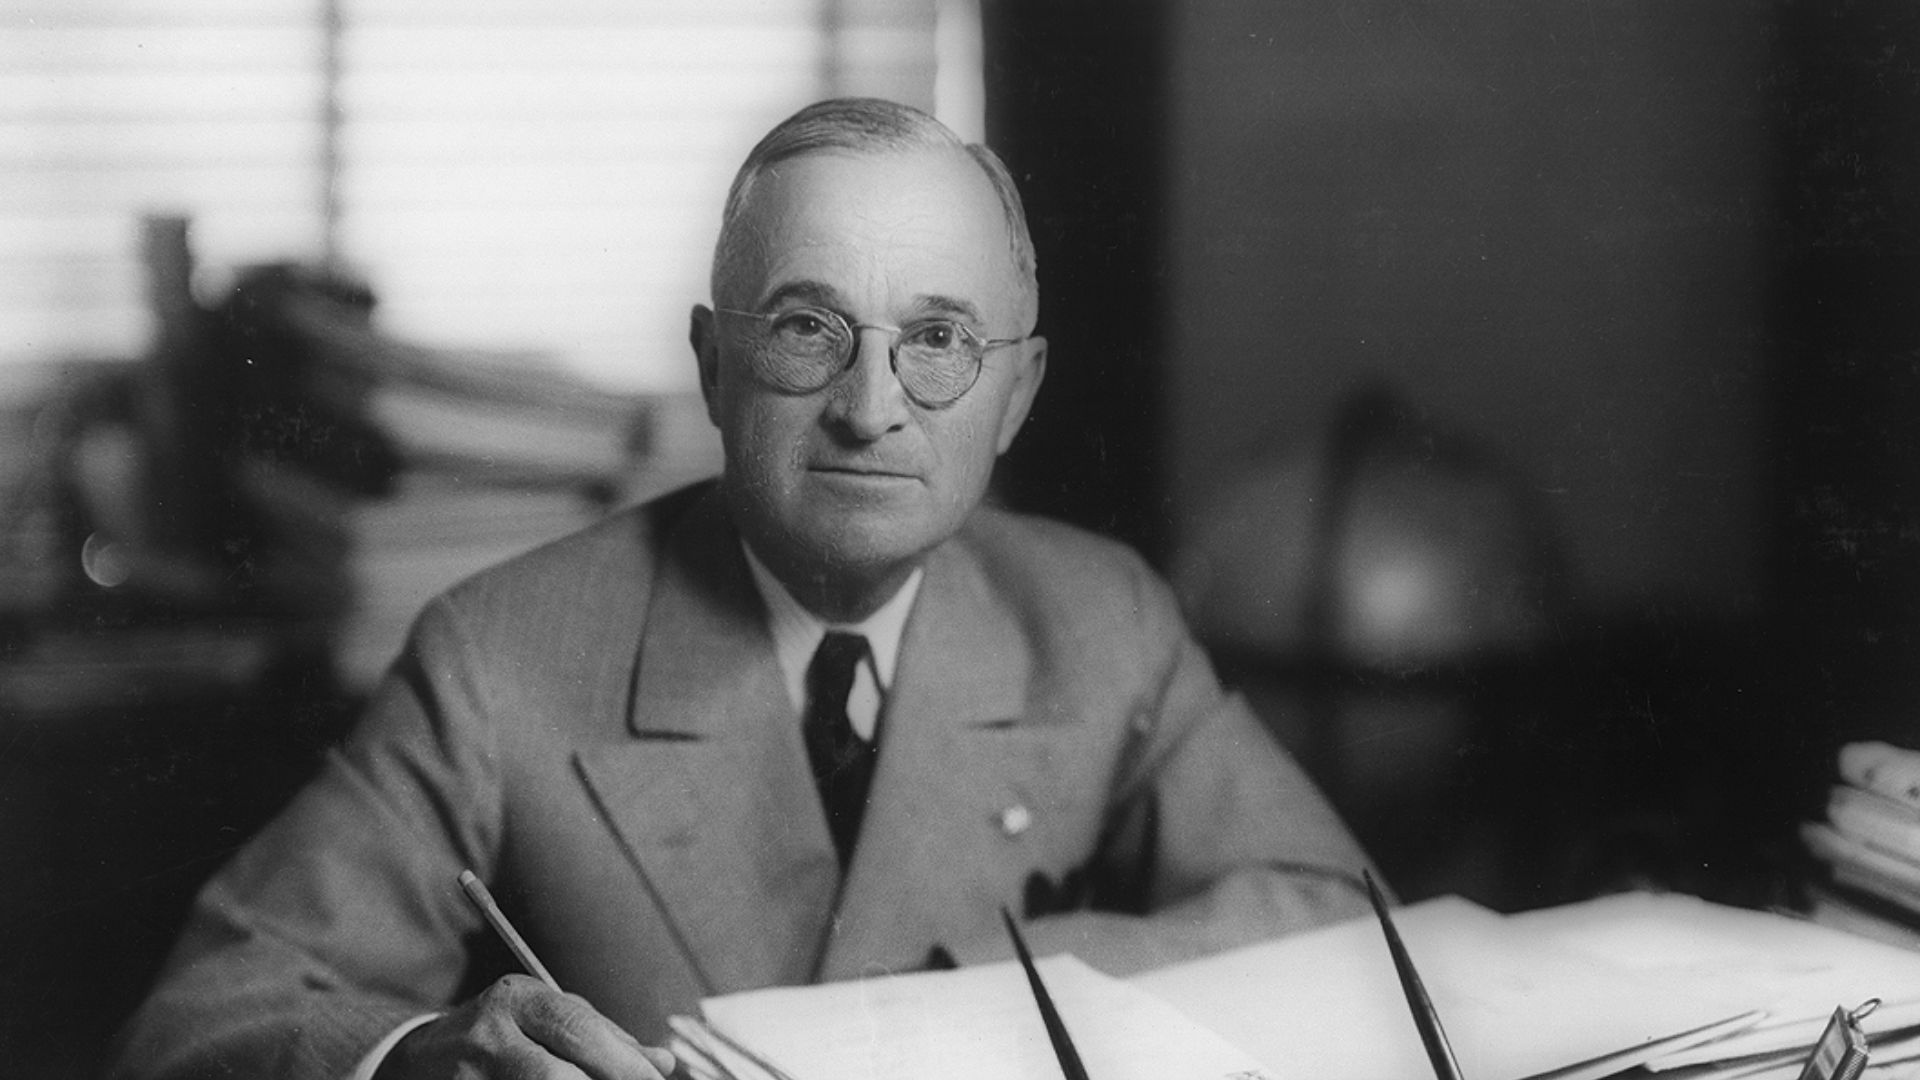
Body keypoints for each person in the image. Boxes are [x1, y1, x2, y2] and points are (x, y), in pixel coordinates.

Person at [109, 97, 1375, 1080]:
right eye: (807, 329)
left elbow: (1330, 914)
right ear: (714, 369)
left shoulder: (1104, 618)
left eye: (936, 341)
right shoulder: (496, 660)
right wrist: (425, 1058)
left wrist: (998, 1000)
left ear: (1018, 395)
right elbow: (200, 1023)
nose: (871, 410)